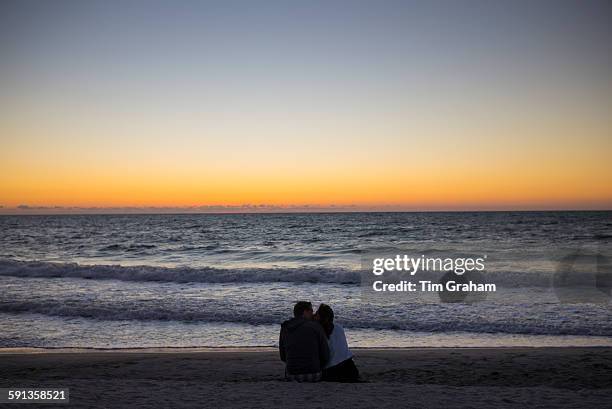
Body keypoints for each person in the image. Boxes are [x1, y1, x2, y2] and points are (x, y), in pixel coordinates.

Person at [279, 301, 330, 382]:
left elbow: (283, 356)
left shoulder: (285, 327)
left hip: (291, 375)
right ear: (305, 312)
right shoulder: (316, 326)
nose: (313, 314)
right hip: (314, 374)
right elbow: (325, 355)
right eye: (311, 311)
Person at [315, 303, 360, 382]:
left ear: (319, 317)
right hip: (351, 368)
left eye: (316, 314)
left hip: (332, 371)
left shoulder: (318, 330)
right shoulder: (339, 327)